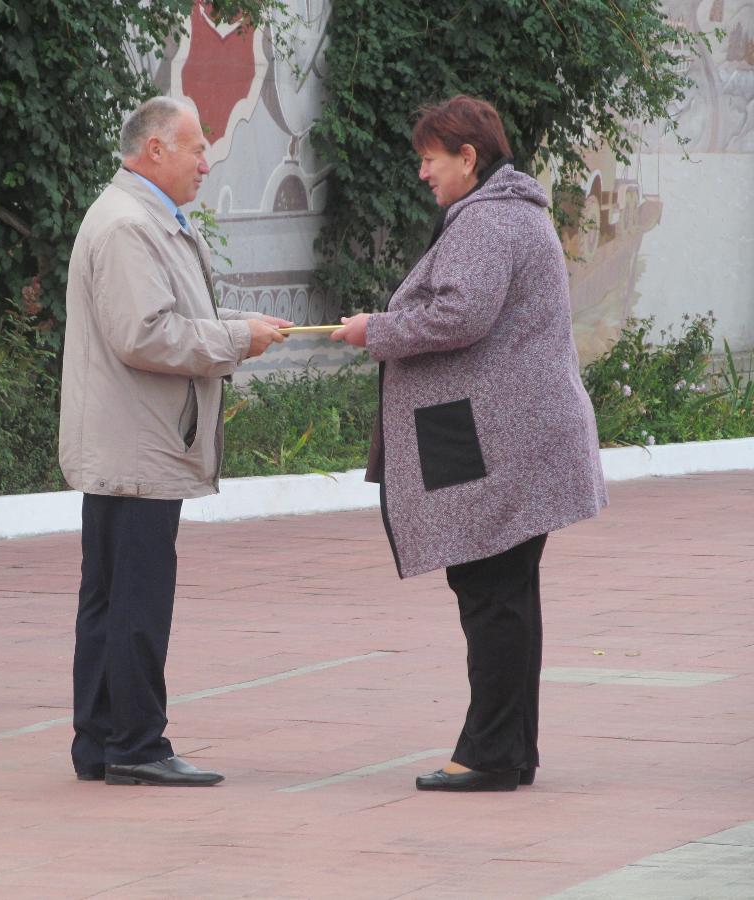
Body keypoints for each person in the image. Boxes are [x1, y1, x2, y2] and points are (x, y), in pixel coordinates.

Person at [331, 95, 607, 790]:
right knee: (505, 592)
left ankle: (488, 754)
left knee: (492, 593)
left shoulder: (488, 221)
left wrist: (378, 329)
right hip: (507, 436)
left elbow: (461, 312)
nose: (423, 173)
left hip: (503, 442)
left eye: (430, 159)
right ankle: (508, 749)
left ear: (467, 158)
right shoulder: (510, 213)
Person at [59, 96, 292, 787]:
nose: (205, 160)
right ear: (154, 150)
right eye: (195, 148)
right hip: (141, 443)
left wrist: (237, 325)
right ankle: (136, 744)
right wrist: (235, 340)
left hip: (134, 441)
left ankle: (102, 742)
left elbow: (168, 316)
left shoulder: (143, 216)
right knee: (134, 600)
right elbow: (146, 335)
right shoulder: (131, 224)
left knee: (111, 598)